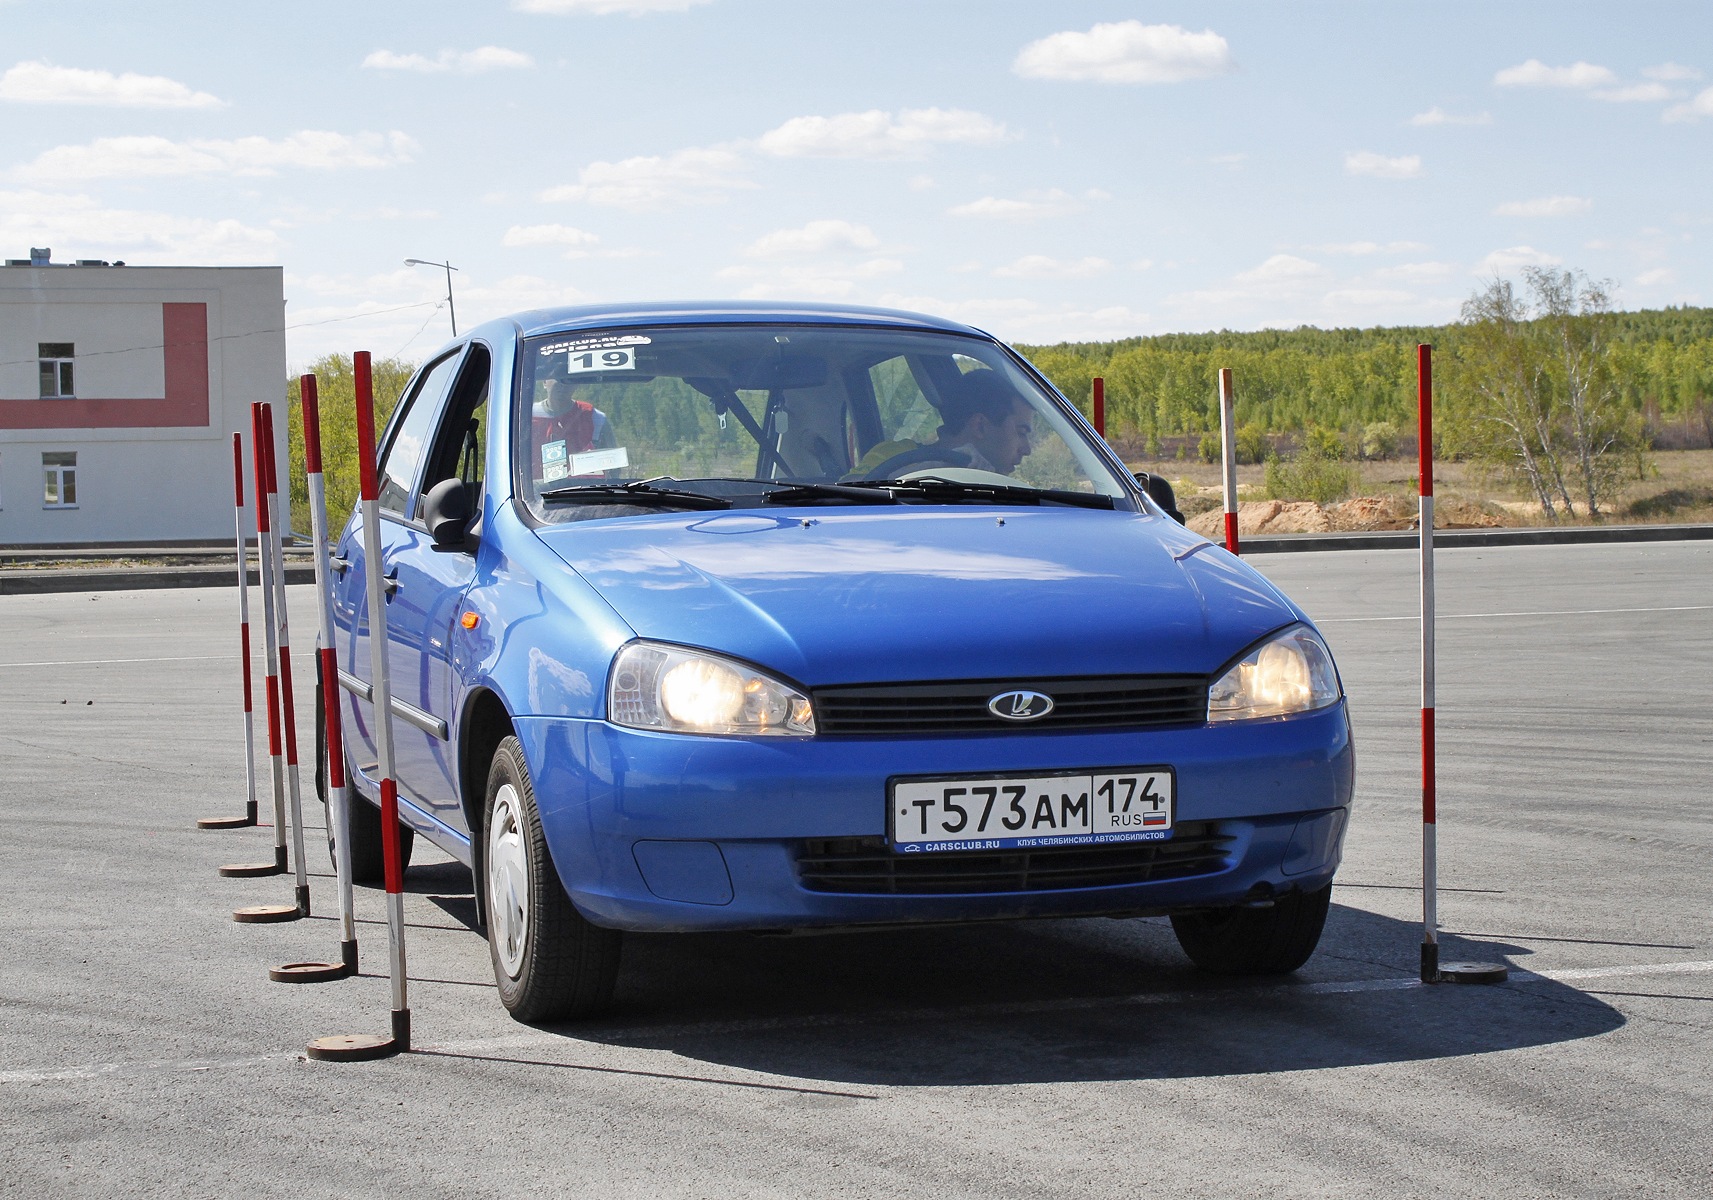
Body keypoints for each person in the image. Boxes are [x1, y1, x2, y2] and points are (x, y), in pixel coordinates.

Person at [855, 369, 1034, 479]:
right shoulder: (892, 454)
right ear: (979, 426)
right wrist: (938, 466)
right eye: (1021, 432)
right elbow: (846, 494)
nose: (1027, 449)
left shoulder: (1003, 491)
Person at [533, 379, 615, 482]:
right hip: (535, 495)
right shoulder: (525, 418)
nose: (562, 384)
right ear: (544, 382)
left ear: (576, 384)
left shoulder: (594, 418)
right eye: (557, 377)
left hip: (582, 494)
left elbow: (613, 468)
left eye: (567, 379)